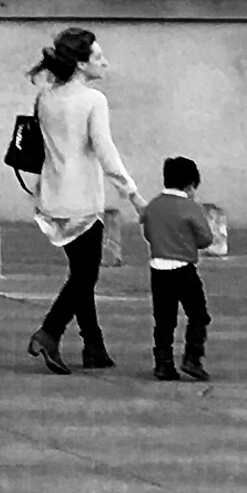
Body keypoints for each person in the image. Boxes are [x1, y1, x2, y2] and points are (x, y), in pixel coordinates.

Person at [19, 27, 142, 375]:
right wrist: (132, 193)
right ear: (80, 64)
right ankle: (50, 332)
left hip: (50, 197)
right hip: (83, 200)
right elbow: (105, 150)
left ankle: (94, 345)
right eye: (98, 57)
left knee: (80, 274)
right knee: (85, 277)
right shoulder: (92, 100)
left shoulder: (45, 97)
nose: (105, 62)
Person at [138, 156, 214, 381]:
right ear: (190, 185)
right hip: (184, 269)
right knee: (198, 314)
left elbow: (148, 234)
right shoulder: (190, 207)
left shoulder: (153, 206)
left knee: (164, 319)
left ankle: (163, 363)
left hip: (158, 269)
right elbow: (206, 238)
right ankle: (192, 358)